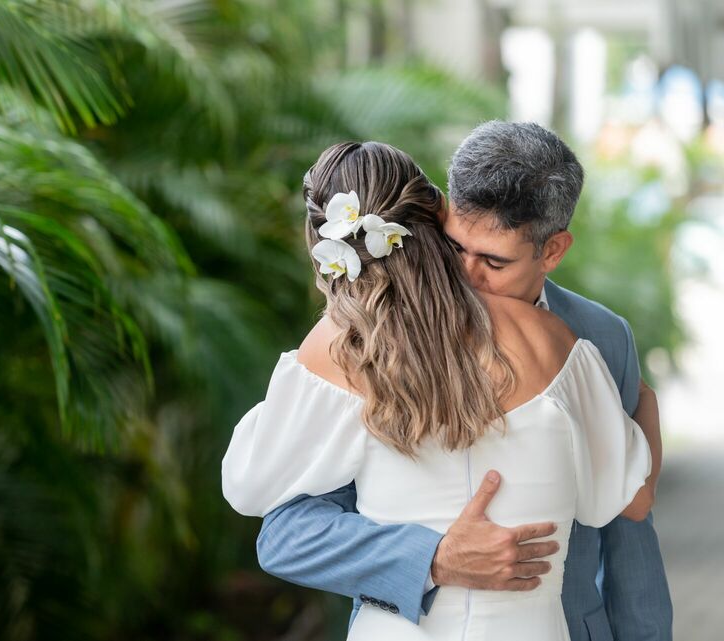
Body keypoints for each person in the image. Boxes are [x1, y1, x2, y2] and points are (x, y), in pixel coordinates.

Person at [221, 138, 660, 640]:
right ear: (438, 214)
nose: (469, 275)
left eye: (494, 262)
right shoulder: (559, 344)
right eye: (456, 248)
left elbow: (248, 486)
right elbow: (625, 496)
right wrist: (434, 557)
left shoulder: (345, 345)